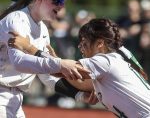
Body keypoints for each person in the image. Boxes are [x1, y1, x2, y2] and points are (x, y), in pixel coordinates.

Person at [9, 18, 150, 118]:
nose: (80, 47)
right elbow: (77, 80)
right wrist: (55, 60)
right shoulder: (120, 56)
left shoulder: (105, 61)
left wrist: (29, 47)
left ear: (100, 43)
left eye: (84, 42)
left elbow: (64, 71)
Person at [0, 0, 90, 117]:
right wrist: (60, 64)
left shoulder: (42, 28)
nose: (61, 6)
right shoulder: (16, 19)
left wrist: (79, 96)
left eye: (63, 1)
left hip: (14, 99)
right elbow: (19, 62)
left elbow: (46, 75)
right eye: (58, 0)